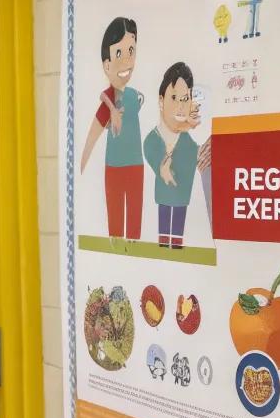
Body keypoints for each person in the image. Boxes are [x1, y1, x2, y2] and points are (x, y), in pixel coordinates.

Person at [79, 16, 144, 240]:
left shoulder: (135, 96)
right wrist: (82, 167)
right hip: (114, 168)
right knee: (115, 228)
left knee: (134, 227)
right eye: (119, 53)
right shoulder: (109, 99)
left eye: (131, 51)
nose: (126, 60)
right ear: (107, 65)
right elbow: (92, 137)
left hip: (136, 165)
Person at [143, 62, 203, 249]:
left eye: (185, 99)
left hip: (181, 197)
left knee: (177, 235)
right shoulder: (154, 138)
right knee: (164, 232)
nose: (180, 106)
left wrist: (204, 151)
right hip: (164, 196)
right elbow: (150, 150)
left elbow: (195, 153)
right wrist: (162, 168)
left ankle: (175, 246)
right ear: (161, 101)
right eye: (174, 97)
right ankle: (164, 245)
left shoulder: (186, 139)